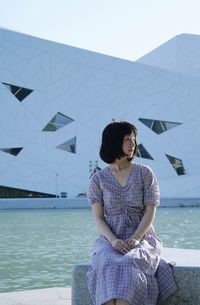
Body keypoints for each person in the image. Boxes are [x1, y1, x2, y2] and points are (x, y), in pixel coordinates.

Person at [87, 121, 177, 305]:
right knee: (106, 263)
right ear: (113, 141)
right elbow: (98, 217)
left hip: (143, 236)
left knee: (129, 262)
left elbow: (150, 210)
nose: (132, 144)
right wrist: (113, 240)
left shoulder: (145, 173)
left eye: (133, 140)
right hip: (110, 237)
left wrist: (136, 238)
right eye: (127, 139)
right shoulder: (98, 179)